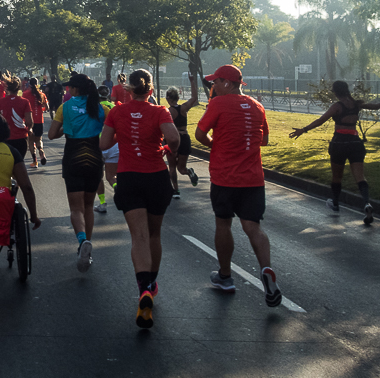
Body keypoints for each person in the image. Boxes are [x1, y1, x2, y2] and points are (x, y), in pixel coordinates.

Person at [194, 64, 280, 307]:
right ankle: (266, 269)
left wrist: (216, 145)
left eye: (215, 82)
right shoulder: (257, 106)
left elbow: (200, 135)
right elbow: (264, 140)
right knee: (253, 227)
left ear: (228, 84)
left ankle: (225, 277)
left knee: (223, 224)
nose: (212, 86)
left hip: (224, 177)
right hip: (253, 178)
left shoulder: (218, 104)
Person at [100, 69, 180, 328]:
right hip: (156, 178)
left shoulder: (116, 111)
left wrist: (124, 137)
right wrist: (167, 148)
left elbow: (103, 145)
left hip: (129, 178)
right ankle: (152, 284)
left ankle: (144, 287)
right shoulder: (160, 112)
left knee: (139, 237)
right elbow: (173, 138)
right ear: (151, 89)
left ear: (128, 89)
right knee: (154, 235)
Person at [289, 80, 380, 224]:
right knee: (360, 177)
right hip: (355, 143)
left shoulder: (337, 106)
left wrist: (303, 130)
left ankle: (335, 203)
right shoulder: (357, 104)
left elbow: (321, 120)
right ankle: (366, 203)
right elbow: (375, 107)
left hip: (339, 143)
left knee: (337, 177)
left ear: (335, 92)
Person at [49, 73, 106, 271]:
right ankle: (87, 244)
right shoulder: (100, 108)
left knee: (76, 208)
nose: (67, 90)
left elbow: (51, 134)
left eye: (69, 87)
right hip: (94, 157)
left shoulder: (64, 108)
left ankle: (82, 241)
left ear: (75, 89)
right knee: (89, 206)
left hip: (73, 157)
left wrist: (68, 126)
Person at [165, 83, 201, 198]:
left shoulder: (168, 111)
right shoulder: (184, 108)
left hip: (173, 139)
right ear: (178, 98)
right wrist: (192, 82)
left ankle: (176, 190)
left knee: (172, 167)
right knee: (182, 168)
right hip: (185, 138)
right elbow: (194, 98)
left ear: (168, 98)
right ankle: (189, 172)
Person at [0, 77, 34, 162]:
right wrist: (29, 129)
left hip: (5, 138)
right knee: (18, 164)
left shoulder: (0, 102)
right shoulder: (25, 102)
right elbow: (29, 121)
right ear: (19, 88)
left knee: (7, 164)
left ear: (7, 88)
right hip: (21, 138)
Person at [24, 77, 49, 167]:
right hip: (39, 120)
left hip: (30, 120)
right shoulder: (42, 94)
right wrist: (40, 110)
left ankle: (35, 161)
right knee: (39, 139)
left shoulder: (25, 94)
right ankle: (41, 150)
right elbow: (47, 107)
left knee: (31, 141)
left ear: (29, 84)